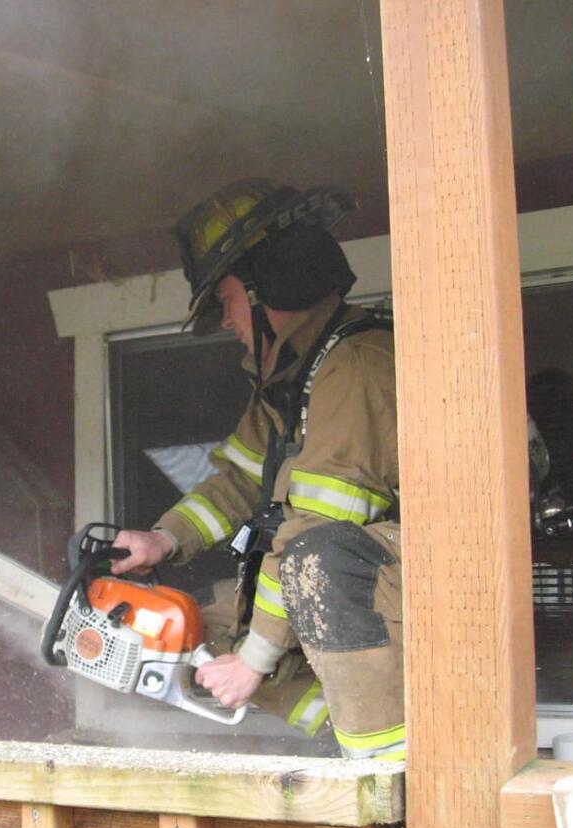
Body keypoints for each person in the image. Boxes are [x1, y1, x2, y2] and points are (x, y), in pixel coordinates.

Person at [111, 179, 405, 761]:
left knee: (311, 564)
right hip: (357, 583)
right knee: (203, 626)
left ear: (268, 282)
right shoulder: (293, 379)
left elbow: (317, 531)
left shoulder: (356, 367)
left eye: (225, 300)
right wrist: (164, 539)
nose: (225, 321)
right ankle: (344, 733)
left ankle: (392, 775)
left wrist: (254, 662)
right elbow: (239, 482)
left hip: (420, 587)